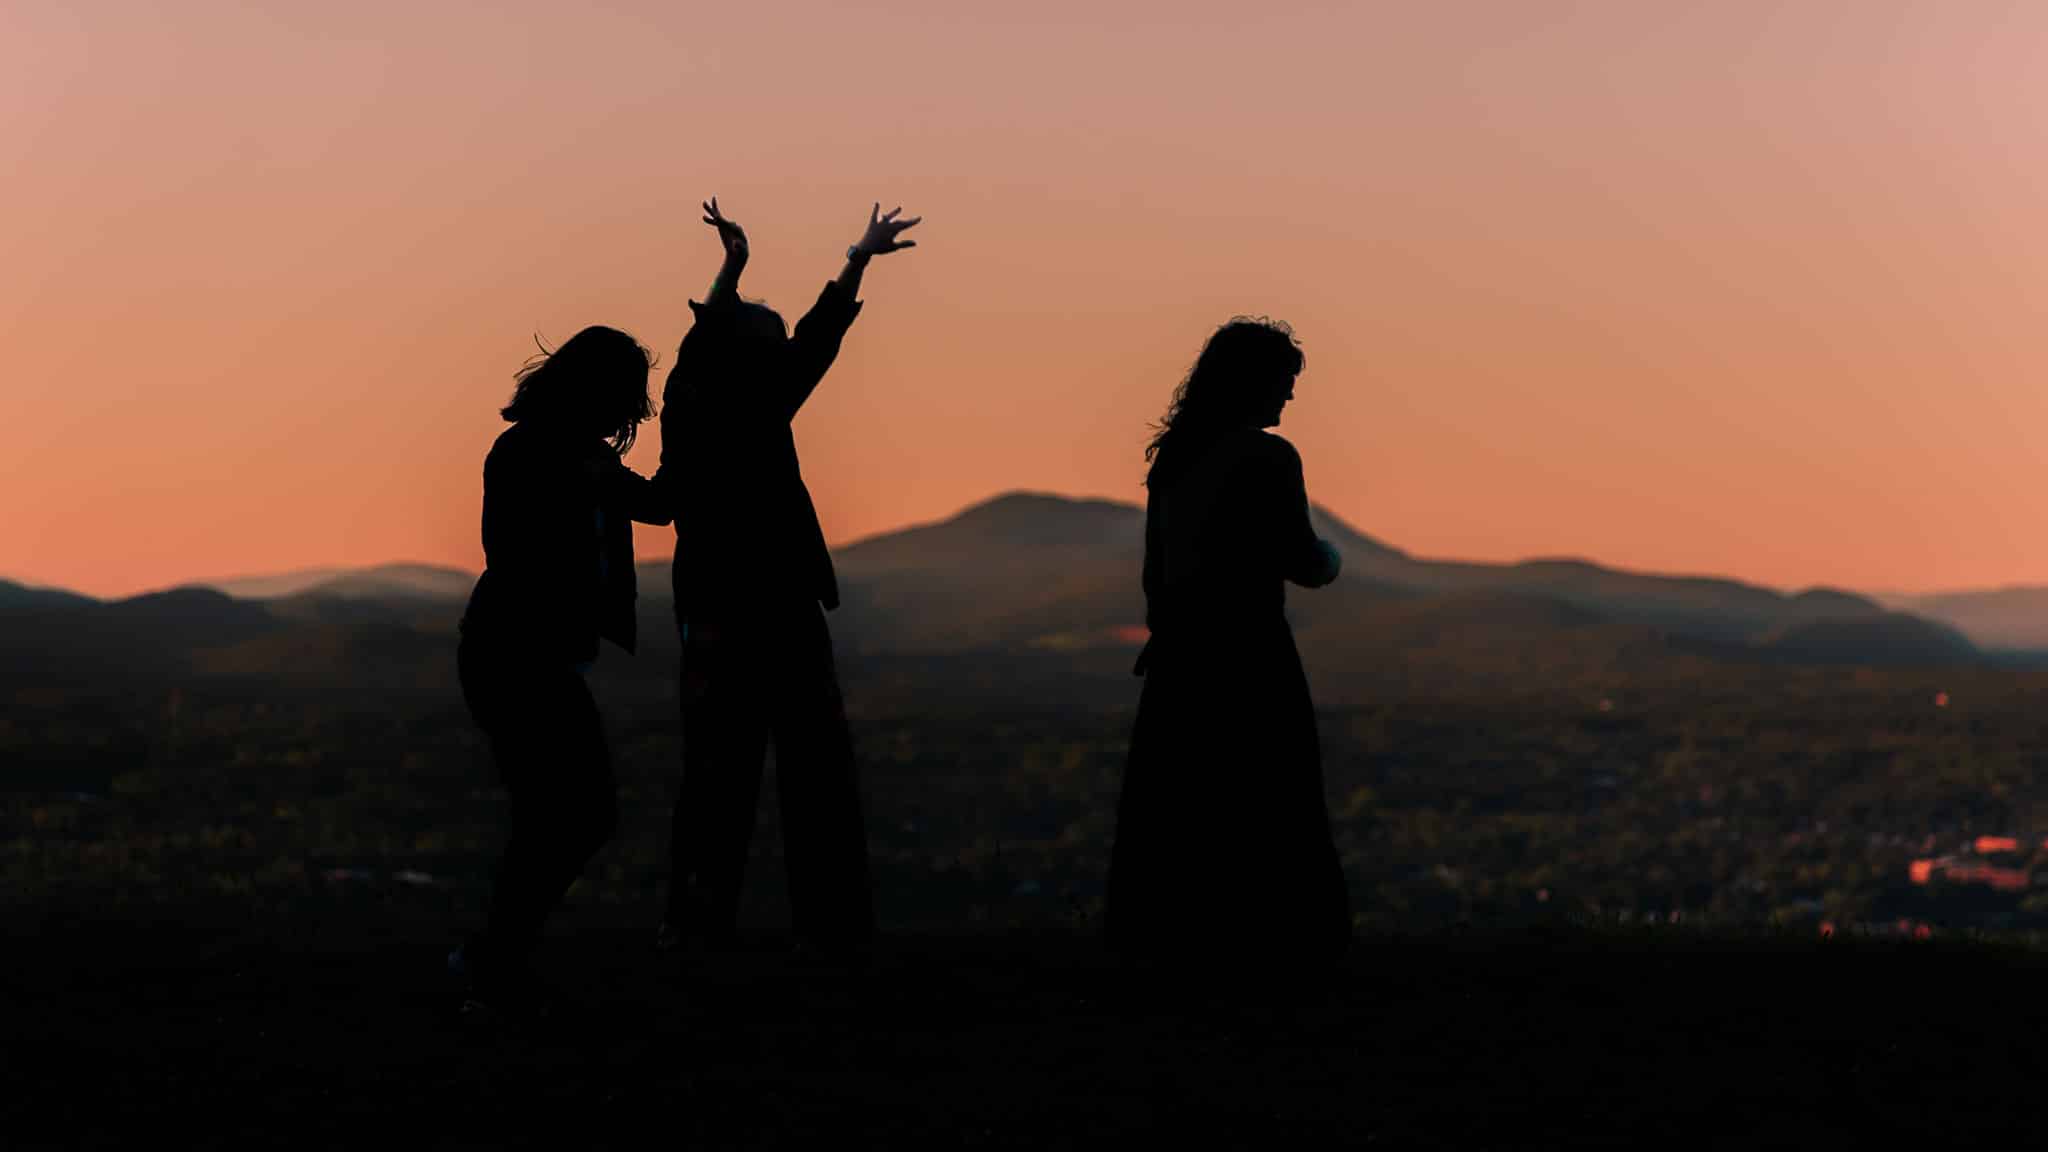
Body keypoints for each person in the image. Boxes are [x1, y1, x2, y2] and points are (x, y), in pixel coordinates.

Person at [655, 198, 921, 963]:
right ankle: (801, 928)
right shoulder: (727, 402)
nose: (784, 349)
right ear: (742, 351)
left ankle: (713, 927)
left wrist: (847, 260)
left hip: (736, 605)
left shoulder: (725, 401)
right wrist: (746, 270)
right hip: (754, 607)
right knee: (778, 776)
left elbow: (806, 334)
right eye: (767, 338)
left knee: (745, 774)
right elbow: (791, 337)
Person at [1105, 317, 1351, 963]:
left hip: (1180, 664)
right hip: (1251, 660)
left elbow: (1154, 573)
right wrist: (1333, 557)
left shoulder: (1175, 459)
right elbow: (1304, 561)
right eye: (1284, 381)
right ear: (1253, 381)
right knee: (1271, 812)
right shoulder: (1267, 457)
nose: (1290, 397)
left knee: (1179, 822)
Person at [447, 324, 669, 1015]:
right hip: (514, 656)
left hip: (524, 655)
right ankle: (492, 960)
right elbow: (516, 554)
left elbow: (658, 507)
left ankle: (496, 957)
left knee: (564, 814)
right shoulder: (532, 453)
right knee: (574, 812)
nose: (627, 417)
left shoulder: (575, 454)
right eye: (623, 399)